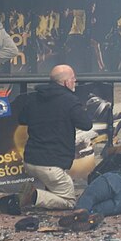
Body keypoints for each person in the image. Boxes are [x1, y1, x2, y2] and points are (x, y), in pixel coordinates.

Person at [16, 65, 93, 210]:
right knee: (69, 201)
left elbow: (22, 118)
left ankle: (36, 194)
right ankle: (33, 196)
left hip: (30, 160)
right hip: (51, 165)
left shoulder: (34, 97)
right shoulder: (70, 101)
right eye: (72, 78)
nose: (75, 81)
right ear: (65, 82)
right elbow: (86, 124)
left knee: (54, 185)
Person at [57, 147, 121, 230]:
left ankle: (79, 212)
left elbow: (92, 181)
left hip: (116, 180)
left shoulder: (118, 157)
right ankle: (90, 218)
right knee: (97, 209)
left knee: (90, 196)